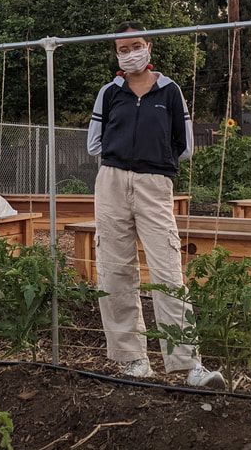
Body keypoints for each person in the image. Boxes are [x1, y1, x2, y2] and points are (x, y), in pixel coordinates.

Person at [87, 21, 224, 388]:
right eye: (122, 49)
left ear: (148, 47)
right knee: (115, 268)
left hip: (154, 183)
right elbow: (94, 143)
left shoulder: (170, 91)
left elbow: (185, 144)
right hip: (112, 181)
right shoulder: (109, 93)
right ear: (116, 54)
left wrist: (154, 163)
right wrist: (122, 164)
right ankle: (132, 358)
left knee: (166, 267)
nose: (130, 53)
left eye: (136, 46)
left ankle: (186, 362)